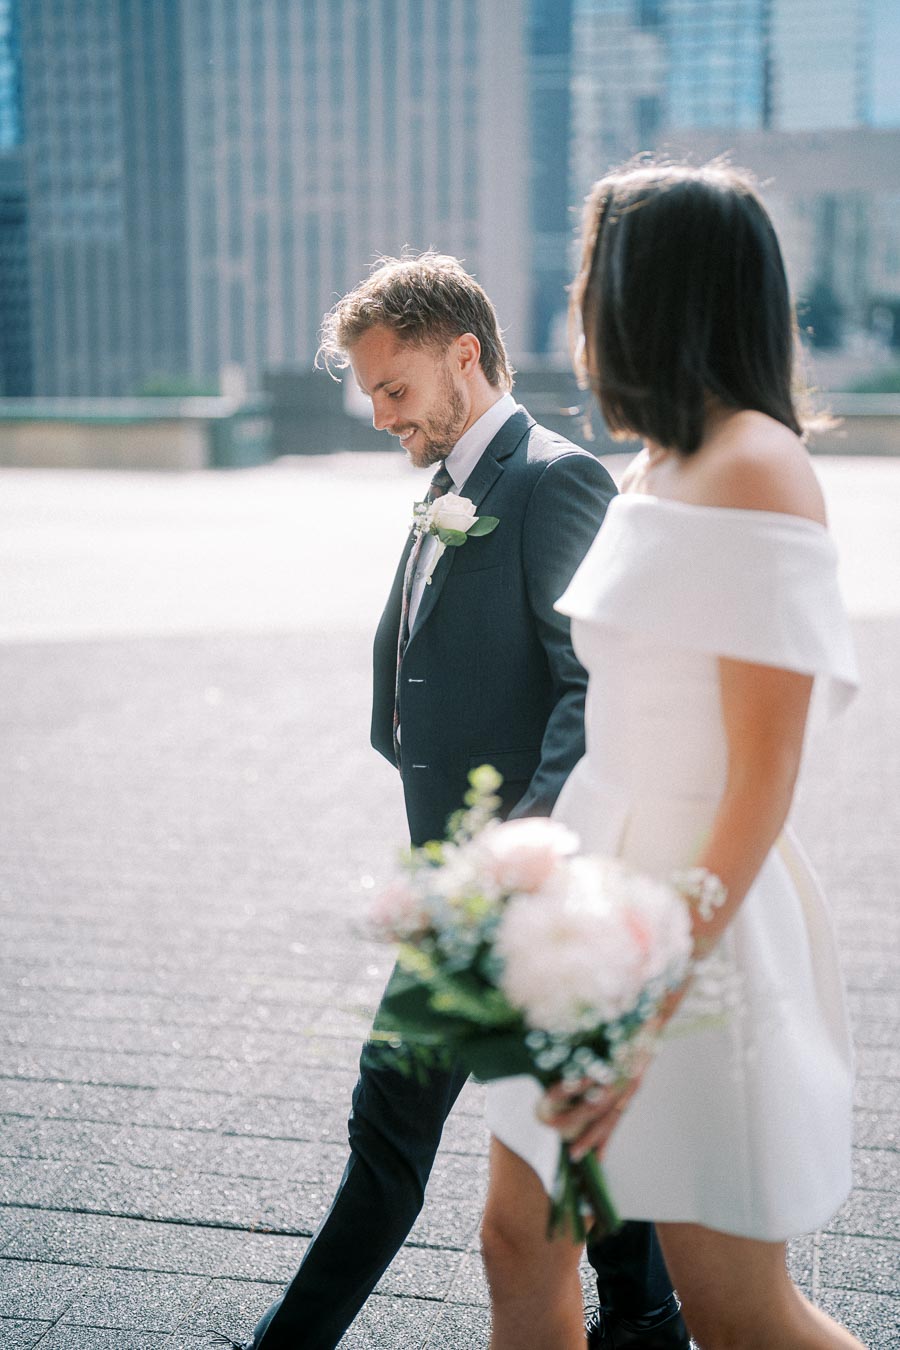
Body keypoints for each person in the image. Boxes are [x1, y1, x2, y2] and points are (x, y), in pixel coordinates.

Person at [222, 254, 691, 1349]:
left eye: (395, 389)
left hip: (517, 888)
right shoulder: (446, 488)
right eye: (372, 394)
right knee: (576, 1136)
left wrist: (520, 850)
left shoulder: (552, 480)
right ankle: (649, 1322)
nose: (384, 416)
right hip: (465, 883)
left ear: (464, 355)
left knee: (406, 1126)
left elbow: (589, 684)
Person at [481, 162, 865, 1349]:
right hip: (599, 893)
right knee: (517, 1239)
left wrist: (656, 987)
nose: (576, 294)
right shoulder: (664, 460)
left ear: (657, 289)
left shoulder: (756, 464)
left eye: (593, 270)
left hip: (694, 914)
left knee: (742, 1314)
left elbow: (762, 773)